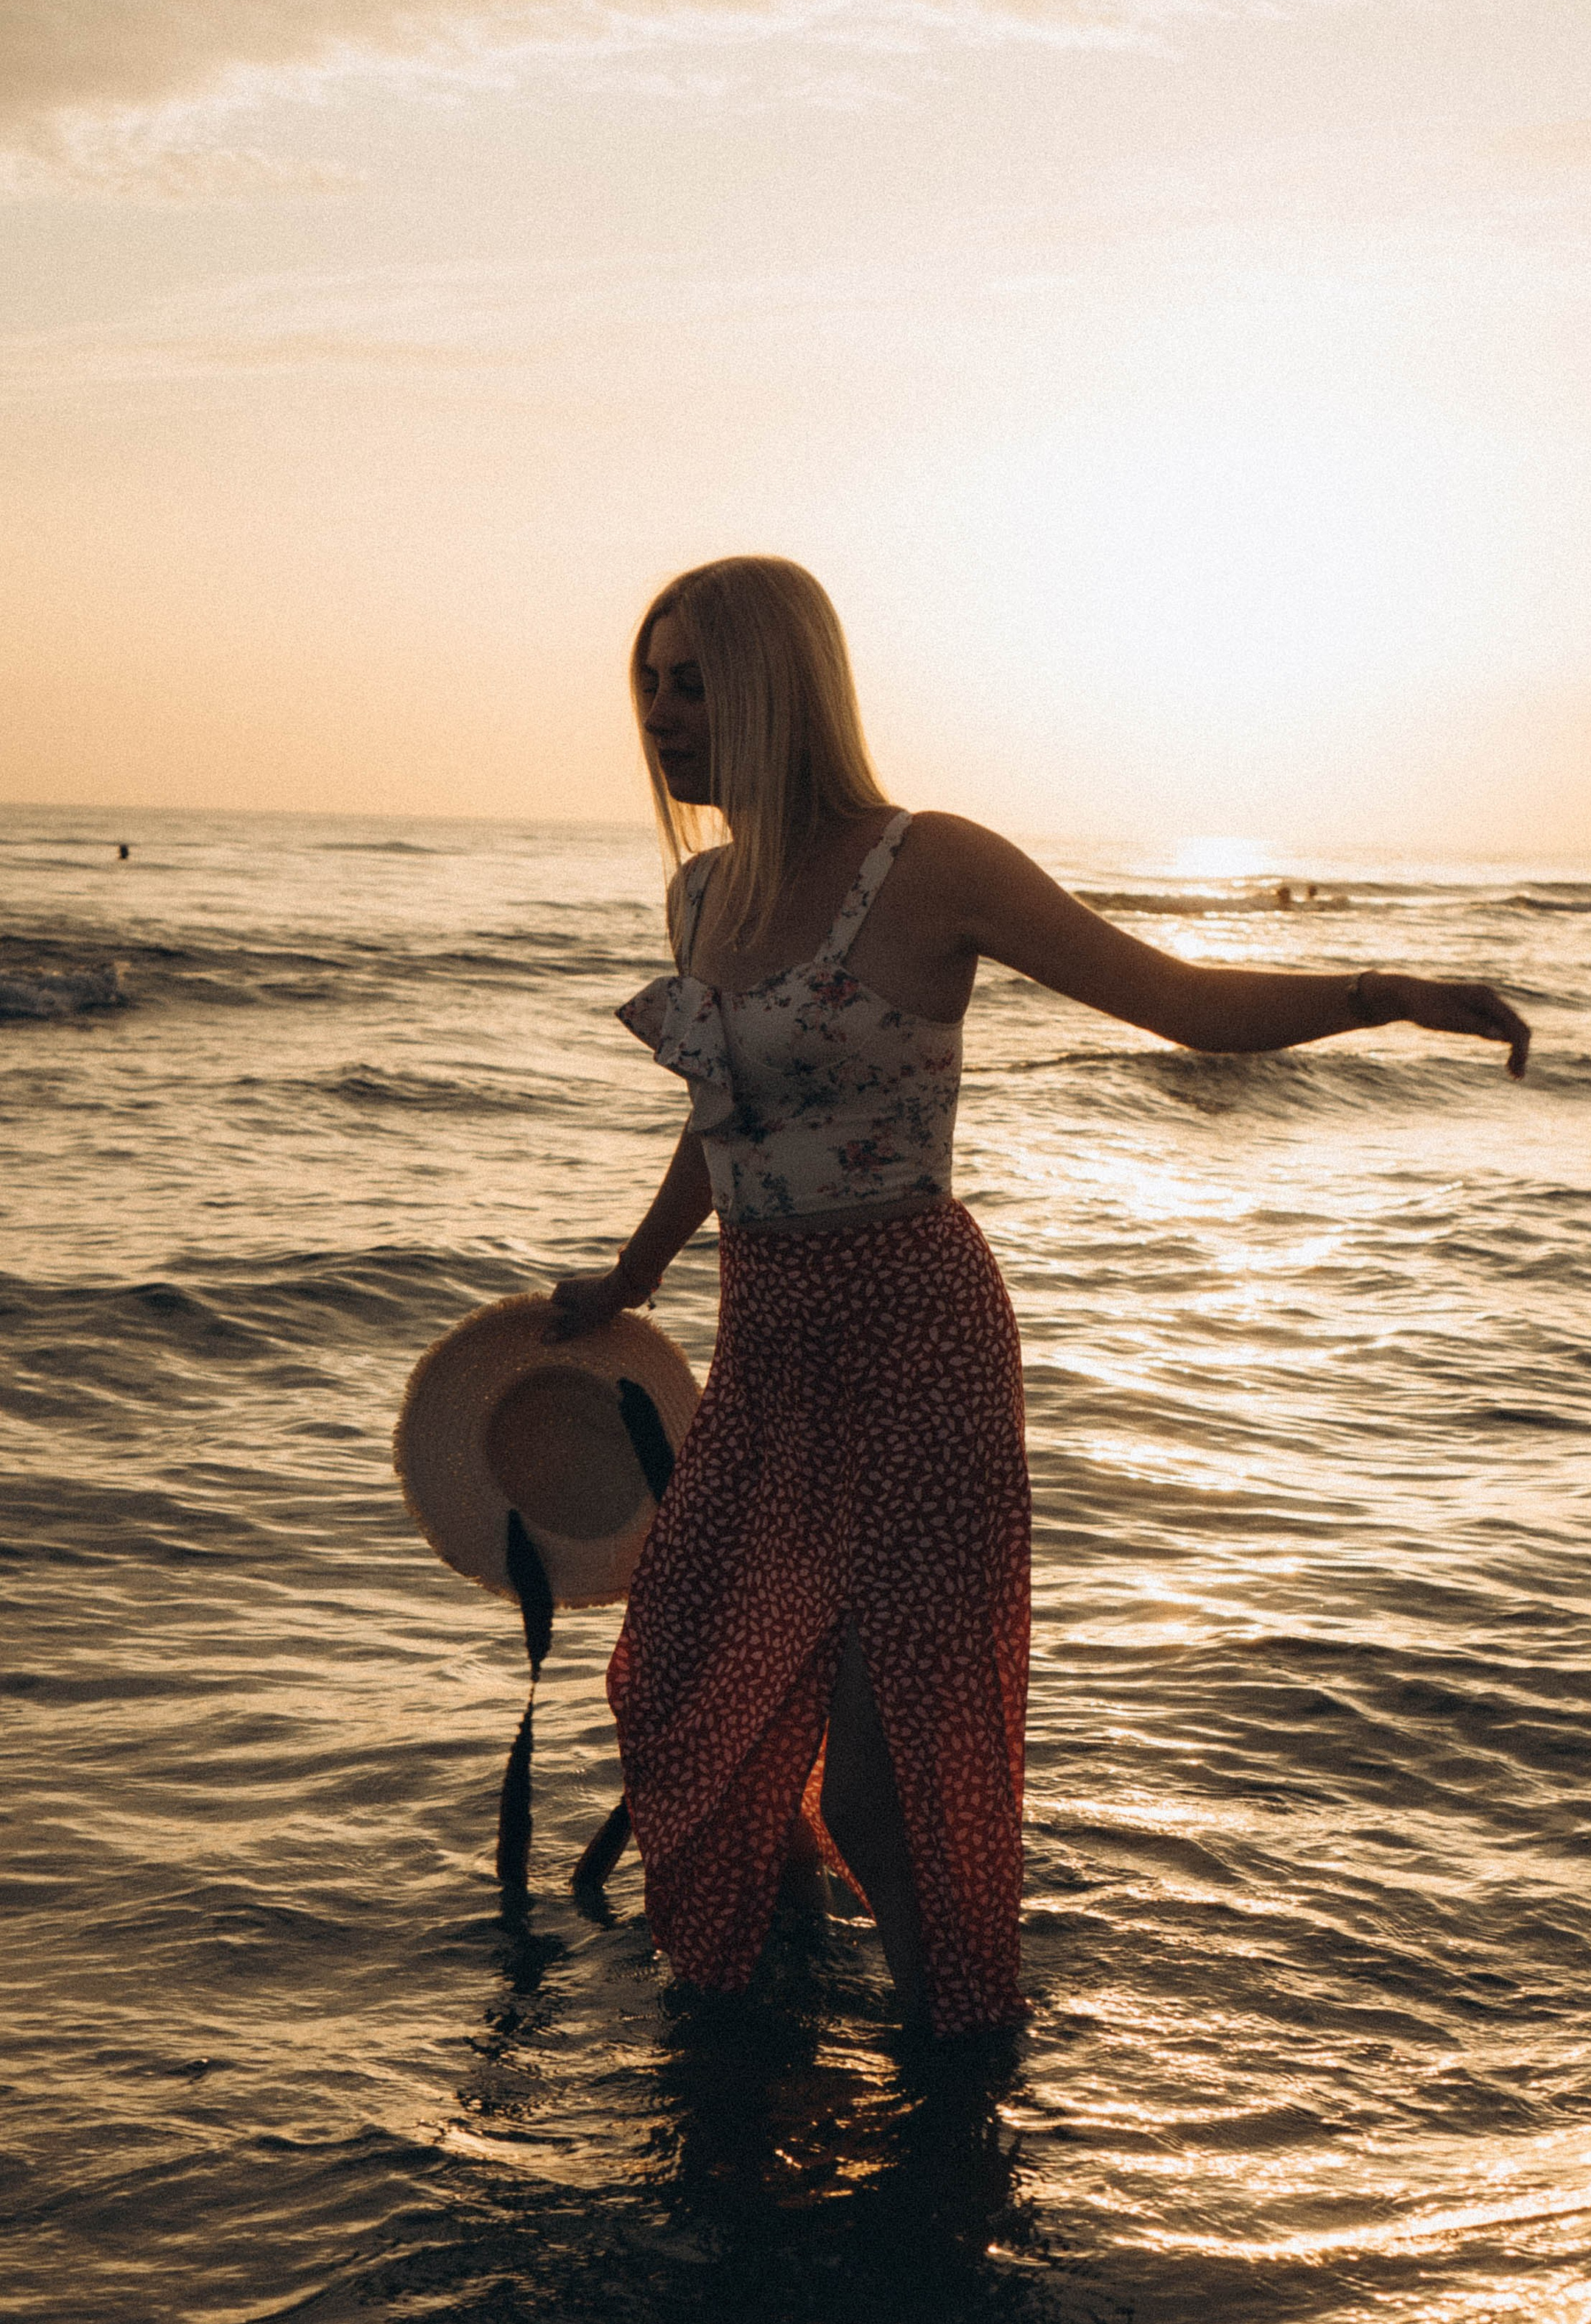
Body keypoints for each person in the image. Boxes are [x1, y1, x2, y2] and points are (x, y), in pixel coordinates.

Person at [550, 556, 1529, 2038]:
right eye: (650, 685)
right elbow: (728, 1119)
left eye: (694, 682)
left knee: (885, 1778)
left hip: (913, 1335)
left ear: (775, 688)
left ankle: (959, 2066)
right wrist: (634, 1274)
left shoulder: (928, 865)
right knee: (683, 1682)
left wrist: (1374, 995)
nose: (663, 714)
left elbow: (1180, 1003)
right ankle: (774, 2012)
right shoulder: (701, 897)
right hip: (767, 1347)